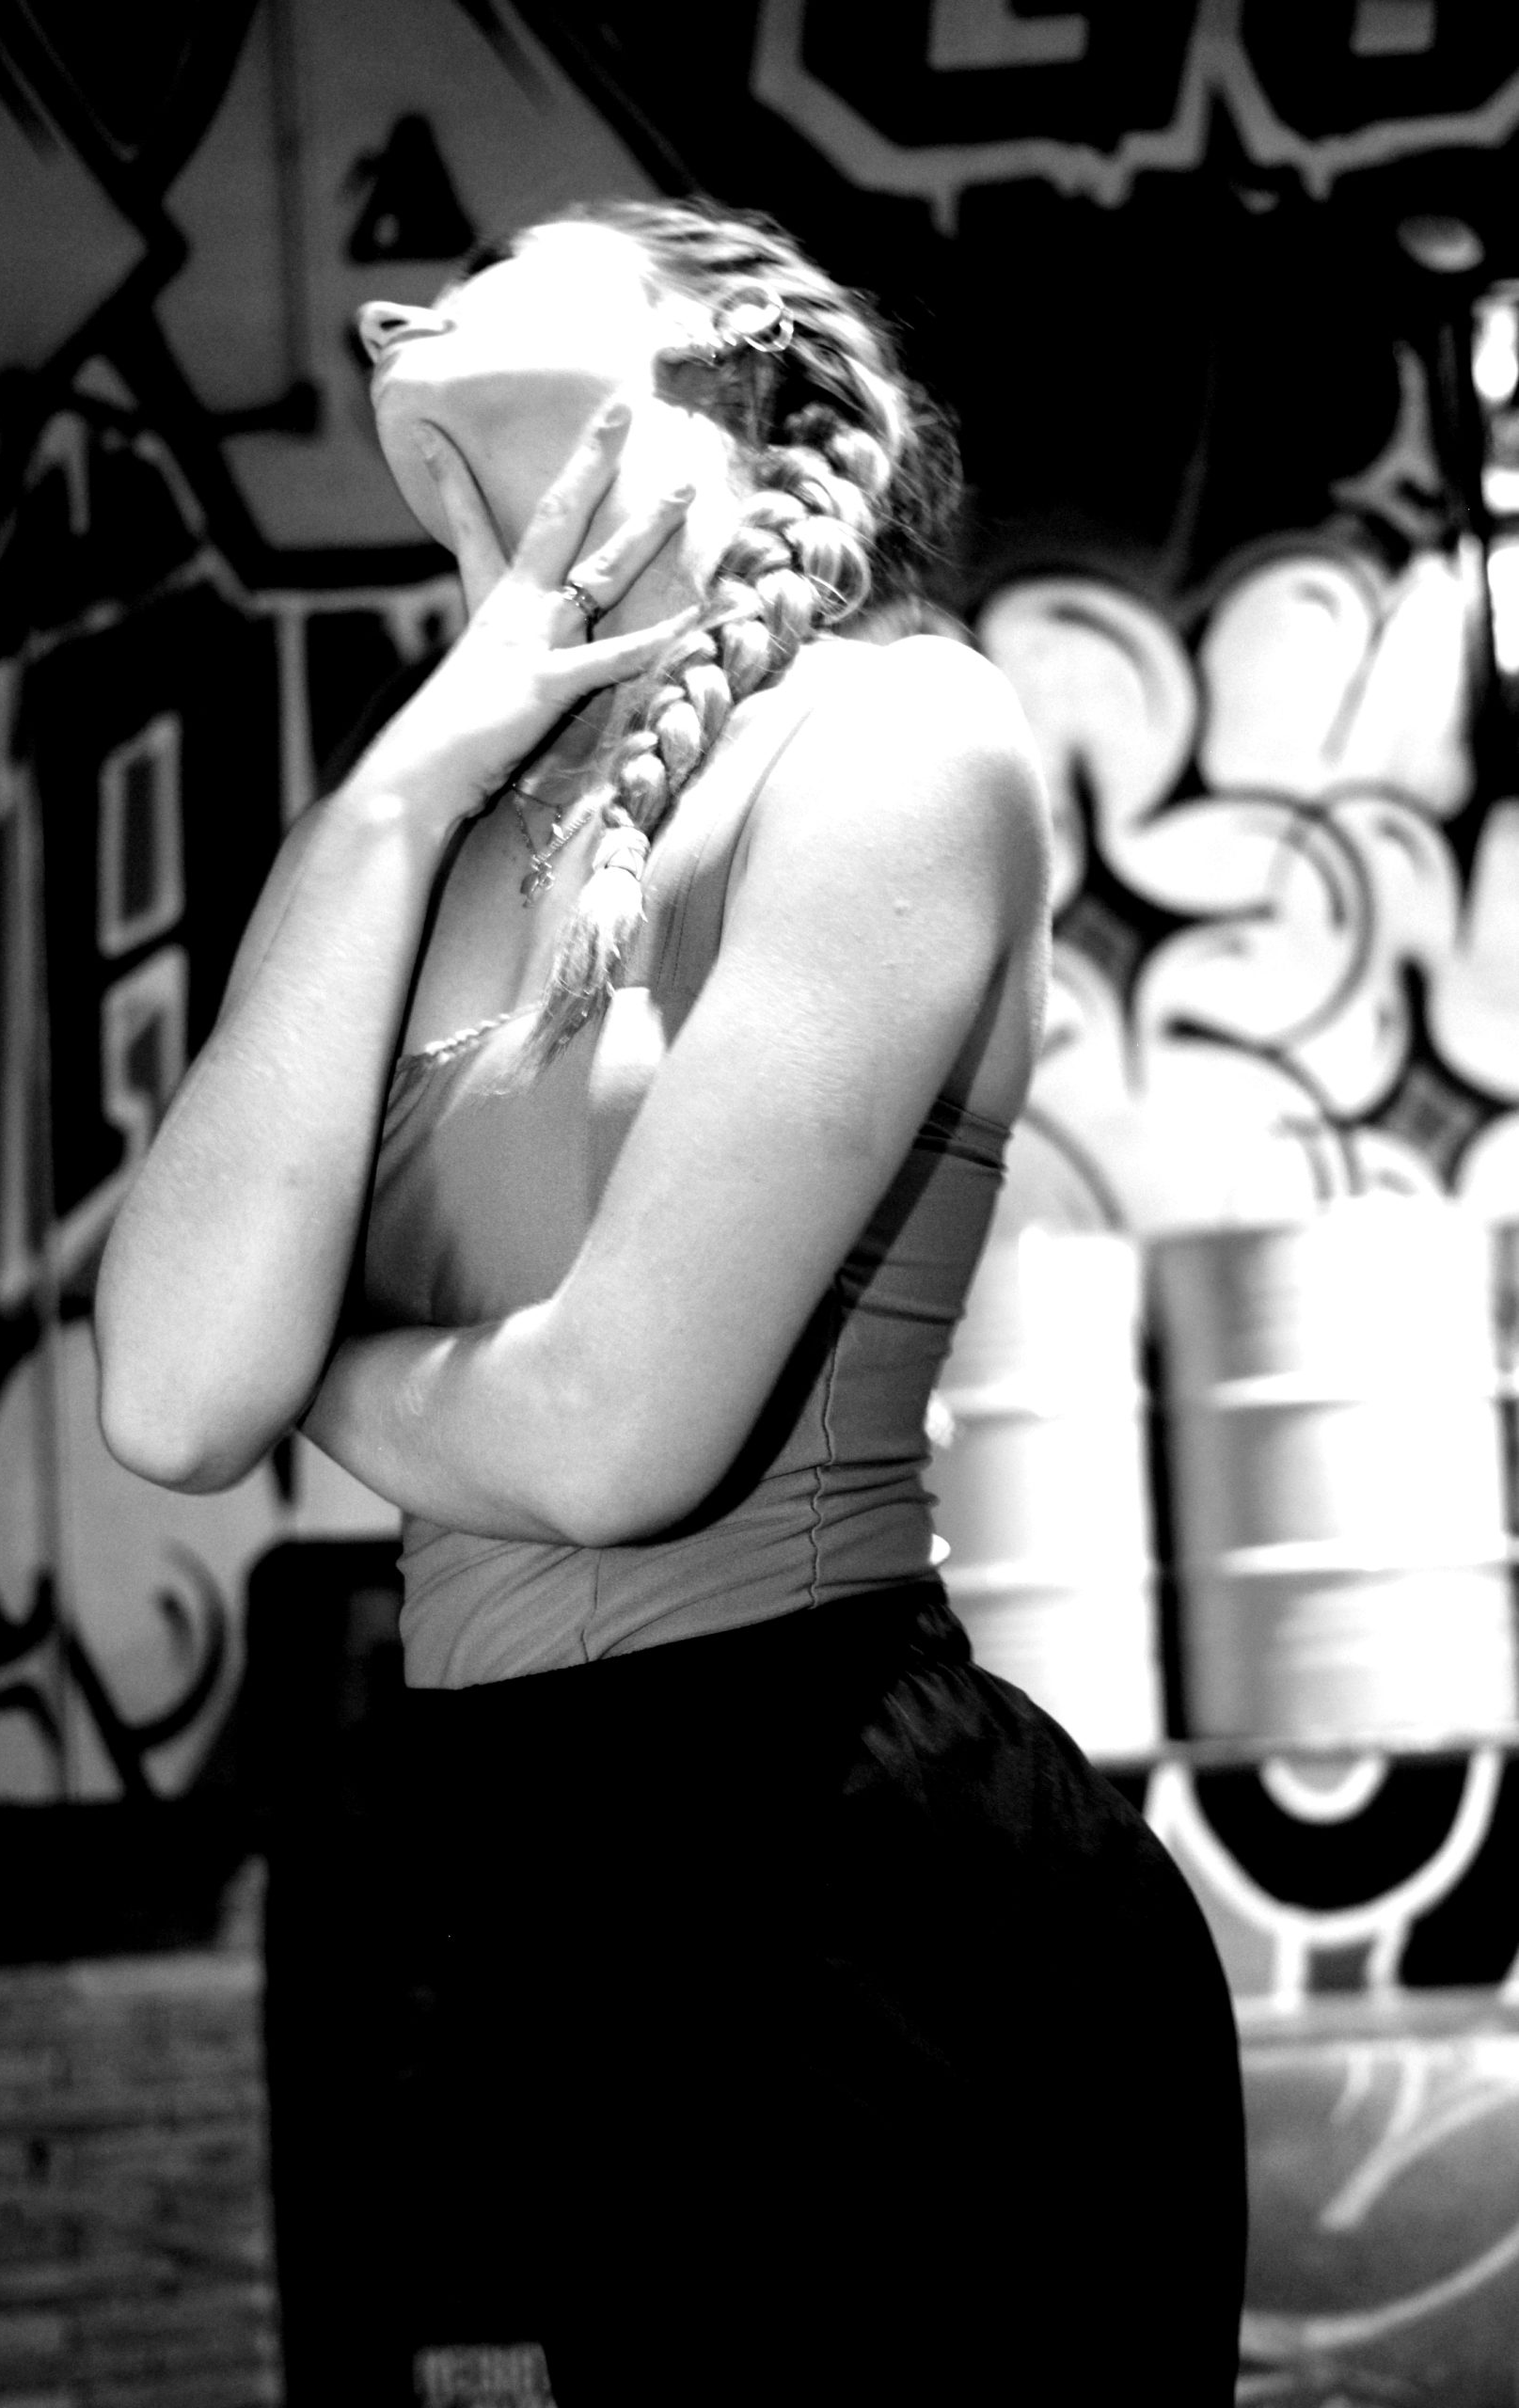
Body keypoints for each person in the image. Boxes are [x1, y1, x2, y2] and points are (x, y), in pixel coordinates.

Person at [95, 198, 1245, 2404]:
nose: (397, 305)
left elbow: (613, 1434)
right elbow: (163, 1397)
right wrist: (406, 773)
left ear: (721, 340)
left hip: (845, 1869)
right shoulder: (415, 829)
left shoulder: (896, 735)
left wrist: (310, 1357)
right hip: (538, 1889)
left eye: (497, 262)